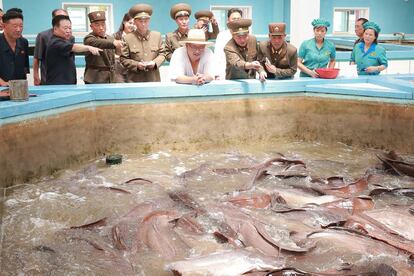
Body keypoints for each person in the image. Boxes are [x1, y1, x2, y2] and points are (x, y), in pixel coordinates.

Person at [45, 15, 101, 85]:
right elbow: (74, 47)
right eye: (65, 28)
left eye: (70, 28)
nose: (68, 31)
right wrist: (89, 47)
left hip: (67, 83)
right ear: (55, 29)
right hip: (57, 84)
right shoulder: (55, 42)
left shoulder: (65, 40)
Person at [120, 4, 166, 82]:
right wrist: (136, 65)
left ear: (149, 21)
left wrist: (154, 63)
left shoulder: (157, 35)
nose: (144, 24)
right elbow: (123, 59)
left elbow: (163, 54)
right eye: (140, 21)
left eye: (146, 21)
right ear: (134, 22)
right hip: (134, 80)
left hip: (153, 79)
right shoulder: (127, 38)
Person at [33, 9, 71, 85]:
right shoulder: (43, 36)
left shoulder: (70, 37)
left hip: (67, 78)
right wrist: (36, 76)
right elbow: (37, 57)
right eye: (60, 17)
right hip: (49, 78)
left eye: (65, 17)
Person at [83, 11, 123, 84]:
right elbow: (98, 43)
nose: (101, 28)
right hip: (95, 78)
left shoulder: (109, 38)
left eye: (103, 24)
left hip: (111, 77)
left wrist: (119, 46)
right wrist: (114, 43)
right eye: (97, 25)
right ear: (91, 27)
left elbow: (117, 54)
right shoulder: (89, 38)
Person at [0, 11, 29, 86]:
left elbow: (24, 68)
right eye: (15, 26)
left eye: (21, 26)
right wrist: (2, 83)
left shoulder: (24, 42)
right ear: (4, 26)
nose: (18, 29)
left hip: (19, 88)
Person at [214, 8, 242, 80]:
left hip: (241, 74)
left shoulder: (245, 35)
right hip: (223, 74)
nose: (236, 21)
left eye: (238, 19)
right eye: (234, 19)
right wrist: (216, 74)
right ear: (228, 21)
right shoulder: (222, 35)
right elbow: (217, 55)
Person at [113, 13, 136, 83]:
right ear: (124, 22)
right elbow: (111, 54)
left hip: (133, 71)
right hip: (119, 71)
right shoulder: (115, 36)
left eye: (134, 24)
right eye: (130, 23)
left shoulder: (136, 37)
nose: (132, 25)